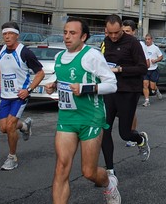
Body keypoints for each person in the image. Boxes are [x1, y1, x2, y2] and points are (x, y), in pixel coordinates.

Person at [44, 17, 120, 204]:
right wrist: (54, 84)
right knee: (61, 167)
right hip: (67, 118)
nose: (67, 37)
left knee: (89, 172)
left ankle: (109, 183)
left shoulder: (92, 56)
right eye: (65, 32)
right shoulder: (59, 57)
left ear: (84, 36)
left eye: (73, 33)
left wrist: (87, 88)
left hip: (90, 118)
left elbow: (112, 84)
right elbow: (65, 79)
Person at [101, 14, 149, 177]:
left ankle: (140, 139)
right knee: (104, 129)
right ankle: (110, 170)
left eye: (116, 33)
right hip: (109, 91)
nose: (113, 36)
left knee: (124, 133)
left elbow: (143, 68)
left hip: (128, 90)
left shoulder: (133, 43)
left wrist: (121, 69)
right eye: (110, 33)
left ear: (121, 28)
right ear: (106, 30)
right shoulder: (105, 42)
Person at [0, 22, 45, 171]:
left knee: (10, 126)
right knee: (4, 128)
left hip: (20, 95)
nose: (7, 37)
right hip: (5, 96)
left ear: (17, 35)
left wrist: (28, 90)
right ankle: (24, 126)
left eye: (10, 34)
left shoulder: (25, 52)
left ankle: (12, 157)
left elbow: (40, 73)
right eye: (4, 34)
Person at [121, 19, 146, 147]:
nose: (125, 33)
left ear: (134, 32)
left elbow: (144, 64)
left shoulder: (137, 45)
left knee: (131, 111)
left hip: (133, 83)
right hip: (120, 83)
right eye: (123, 31)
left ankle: (132, 133)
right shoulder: (120, 44)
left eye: (128, 31)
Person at [142, 34, 164, 107]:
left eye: (148, 39)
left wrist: (156, 60)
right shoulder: (143, 47)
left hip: (153, 69)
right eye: (146, 39)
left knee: (152, 87)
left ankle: (157, 90)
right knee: (145, 85)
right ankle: (147, 100)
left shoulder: (155, 48)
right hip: (145, 69)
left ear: (151, 40)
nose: (147, 41)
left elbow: (161, 57)